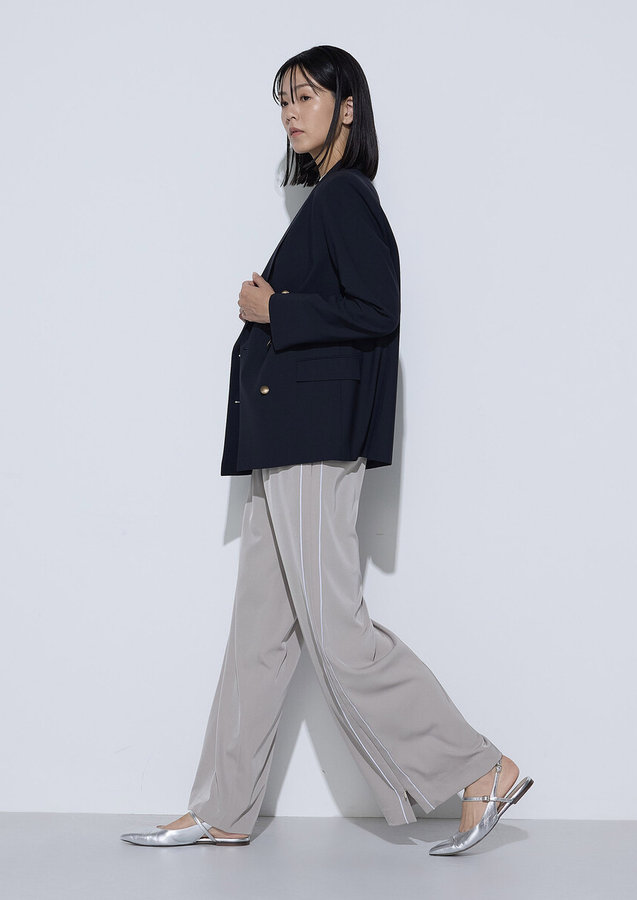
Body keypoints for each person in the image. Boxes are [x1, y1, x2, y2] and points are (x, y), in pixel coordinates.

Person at [121, 44, 532, 857]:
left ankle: (480, 767)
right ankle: (224, 805)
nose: (290, 112)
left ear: (347, 106)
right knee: (259, 634)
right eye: (282, 100)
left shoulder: (346, 197)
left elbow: (379, 311)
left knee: (337, 632)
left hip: (313, 444)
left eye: (305, 96)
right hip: (284, 443)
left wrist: (275, 310)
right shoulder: (325, 201)